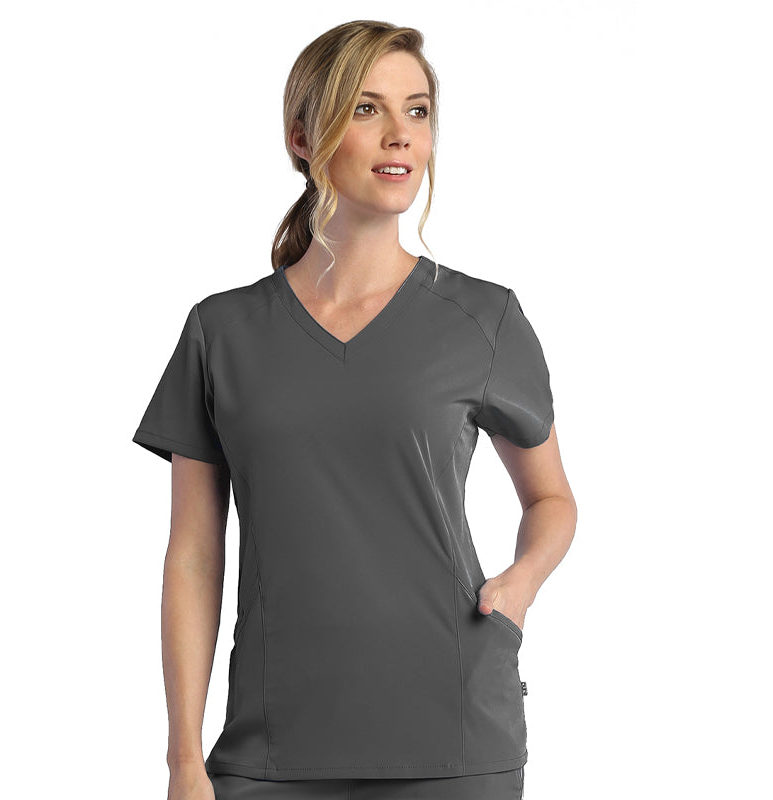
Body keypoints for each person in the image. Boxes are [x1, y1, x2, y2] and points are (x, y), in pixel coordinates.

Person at [132, 19, 577, 800]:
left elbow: (552, 499)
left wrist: (520, 584)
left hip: (456, 738)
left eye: (418, 110)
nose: (400, 134)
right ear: (303, 137)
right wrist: (183, 758)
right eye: (367, 109)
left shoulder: (485, 319)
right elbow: (194, 556)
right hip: (269, 750)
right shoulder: (221, 332)